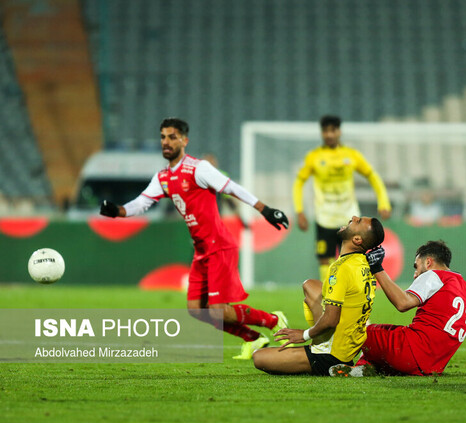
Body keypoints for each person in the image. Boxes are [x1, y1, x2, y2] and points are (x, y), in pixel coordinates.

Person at [99, 118, 290, 360]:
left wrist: (264, 209)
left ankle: (273, 320)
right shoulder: (163, 178)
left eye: (172, 137)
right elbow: (142, 202)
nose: (166, 142)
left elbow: (231, 188)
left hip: (219, 246)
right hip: (201, 251)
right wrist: (118, 211)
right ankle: (253, 338)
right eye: (163, 137)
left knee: (218, 310)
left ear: (184, 140)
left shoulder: (199, 168)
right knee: (196, 311)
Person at [329, 241, 466, 377]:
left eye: (416, 267)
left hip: (408, 352)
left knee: (361, 331)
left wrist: (377, 268)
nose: (415, 274)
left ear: (428, 262)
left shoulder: (434, 276)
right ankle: (363, 369)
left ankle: (325, 360)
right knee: (387, 331)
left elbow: (403, 304)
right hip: (430, 369)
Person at [252, 216, 385, 375]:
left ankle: (331, 362)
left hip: (332, 355)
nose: (353, 217)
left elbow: (331, 320)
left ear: (357, 239)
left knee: (258, 358)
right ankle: (324, 341)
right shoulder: (364, 263)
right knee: (310, 285)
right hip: (350, 344)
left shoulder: (341, 268)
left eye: (357, 222)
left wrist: (304, 334)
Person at [293, 115, 392, 282]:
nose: (329, 135)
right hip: (325, 218)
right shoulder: (314, 157)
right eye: (325, 131)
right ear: (322, 133)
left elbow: (372, 176)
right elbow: (299, 183)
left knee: (353, 258)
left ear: (339, 131)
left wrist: (384, 202)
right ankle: (328, 295)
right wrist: (299, 211)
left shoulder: (351, 155)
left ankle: (355, 294)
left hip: (349, 219)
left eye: (333, 130)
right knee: (325, 259)